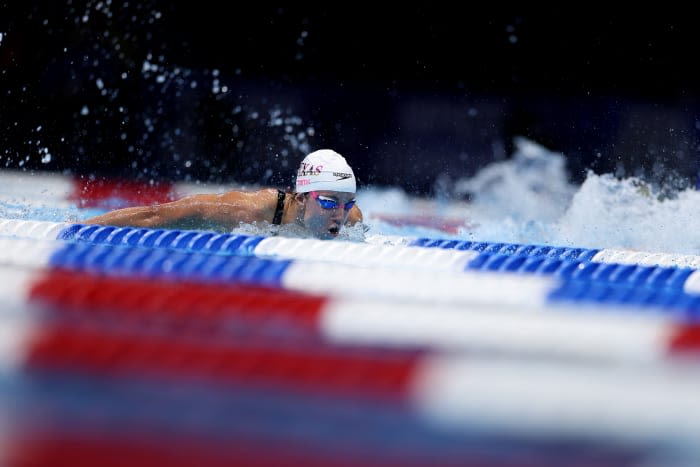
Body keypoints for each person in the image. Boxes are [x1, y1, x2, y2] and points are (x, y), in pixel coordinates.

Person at [84, 149, 363, 239]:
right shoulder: (250, 210)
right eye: (328, 201)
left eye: (346, 203)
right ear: (301, 197)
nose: (339, 212)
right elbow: (156, 215)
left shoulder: (351, 219)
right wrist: (79, 229)